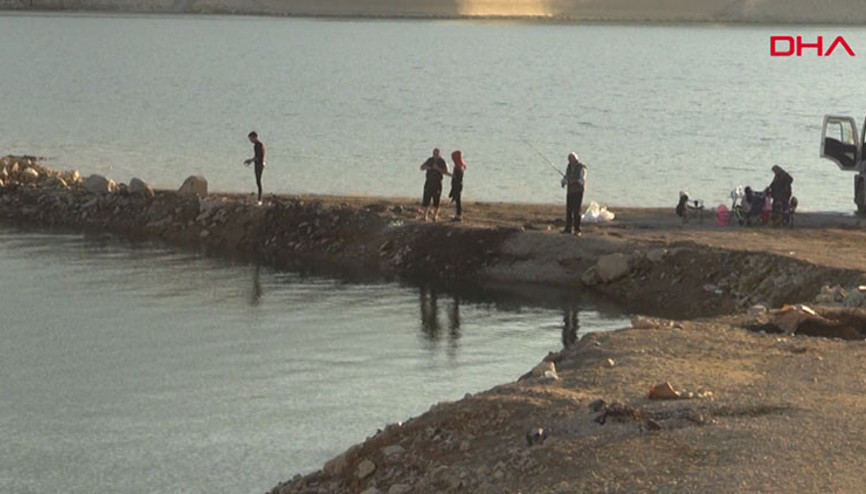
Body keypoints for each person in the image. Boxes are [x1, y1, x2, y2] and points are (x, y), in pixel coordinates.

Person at [419, 148, 450, 222]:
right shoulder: (430, 160)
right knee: (426, 198)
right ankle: (425, 216)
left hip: (437, 182)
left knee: (436, 200)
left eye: (437, 154)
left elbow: (446, 171)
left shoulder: (442, 161)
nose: (435, 155)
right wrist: (427, 167)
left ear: (439, 154)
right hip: (429, 182)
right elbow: (422, 167)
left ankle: (435, 216)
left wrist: (437, 168)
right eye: (434, 154)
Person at [560, 152, 587, 235]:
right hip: (570, 191)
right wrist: (564, 182)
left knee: (576, 211)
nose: (570, 161)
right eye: (569, 159)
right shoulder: (569, 167)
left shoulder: (582, 168)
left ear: (576, 159)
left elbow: (582, 180)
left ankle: (577, 229)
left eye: (571, 159)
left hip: (578, 191)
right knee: (569, 210)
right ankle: (568, 228)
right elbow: (566, 177)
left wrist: (573, 181)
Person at [244, 131, 265, 205]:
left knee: (258, 181)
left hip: (260, 164)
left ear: (255, 137)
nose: (250, 141)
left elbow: (258, 157)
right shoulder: (256, 145)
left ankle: (260, 199)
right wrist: (251, 161)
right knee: (257, 181)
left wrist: (250, 161)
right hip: (257, 164)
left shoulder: (259, 145)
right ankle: (259, 198)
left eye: (251, 139)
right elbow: (256, 156)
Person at [448, 150, 467, 222]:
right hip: (458, 184)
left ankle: (459, 215)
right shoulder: (460, 165)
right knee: (457, 200)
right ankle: (457, 214)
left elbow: (456, 178)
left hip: (457, 185)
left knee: (458, 200)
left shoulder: (458, 167)